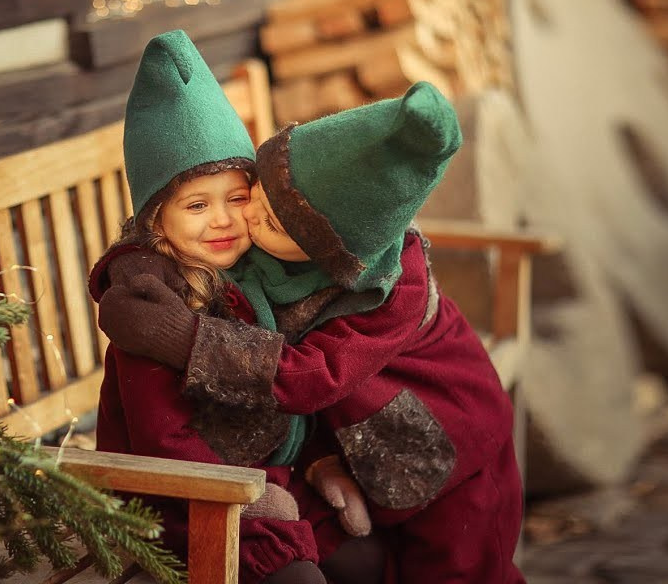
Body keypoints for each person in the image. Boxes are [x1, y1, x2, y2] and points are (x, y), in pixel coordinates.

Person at [99, 82, 526, 584]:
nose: (247, 221)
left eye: (271, 223)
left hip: (443, 440)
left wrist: (181, 337)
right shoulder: (251, 248)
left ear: (327, 252)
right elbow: (161, 249)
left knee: (458, 567)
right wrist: (130, 270)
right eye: (261, 195)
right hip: (323, 443)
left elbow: (306, 377)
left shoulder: (389, 292)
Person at [90, 29, 384, 584]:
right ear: (156, 221)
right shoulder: (150, 305)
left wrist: (317, 461)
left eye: (237, 198)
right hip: (183, 499)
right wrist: (251, 497)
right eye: (197, 205)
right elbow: (162, 442)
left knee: (371, 556)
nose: (223, 220)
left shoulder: (250, 273)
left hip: (269, 476)